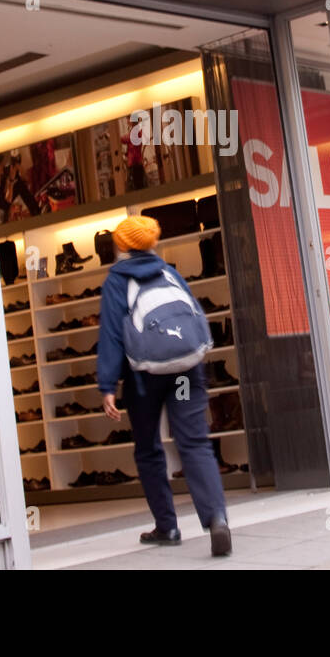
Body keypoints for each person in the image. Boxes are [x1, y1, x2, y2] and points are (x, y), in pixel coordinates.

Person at [95, 215, 231, 556]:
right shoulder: (168, 272)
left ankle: (167, 526)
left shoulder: (116, 280)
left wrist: (107, 384)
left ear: (122, 246)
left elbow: (111, 334)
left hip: (145, 380)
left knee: (149, 448)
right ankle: (216, 518)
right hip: (184, 374)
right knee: (194, 441)